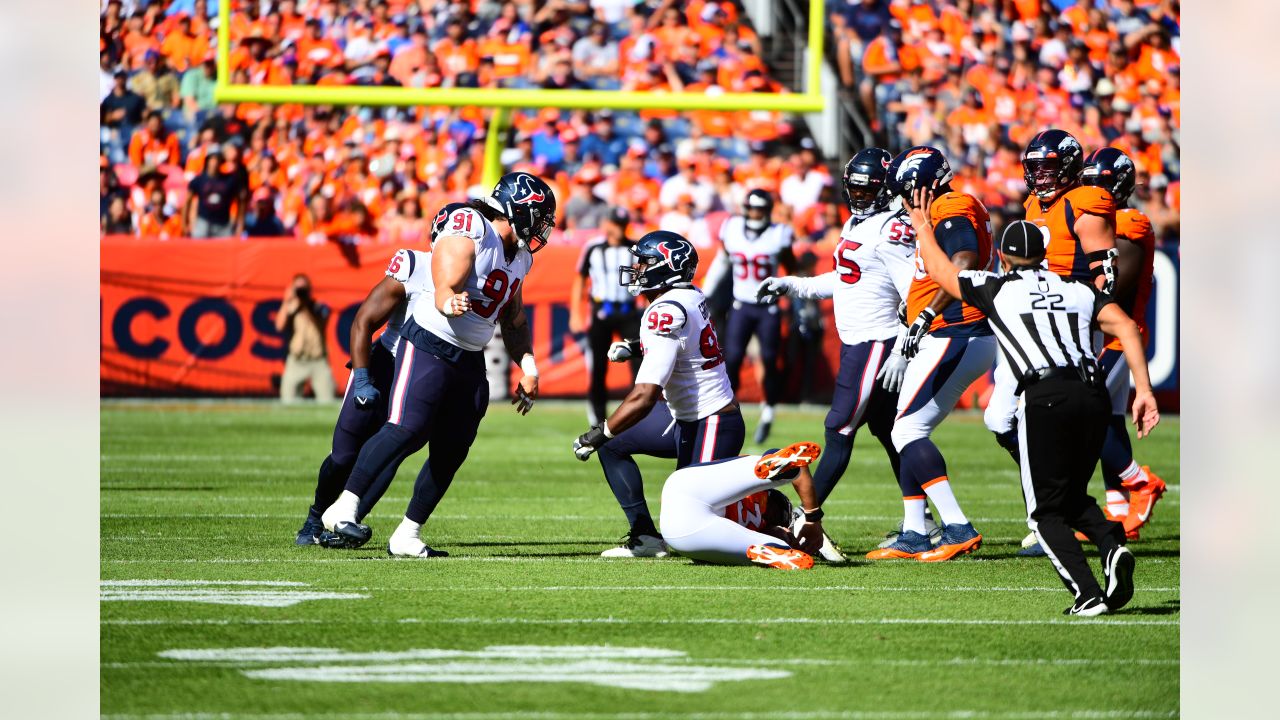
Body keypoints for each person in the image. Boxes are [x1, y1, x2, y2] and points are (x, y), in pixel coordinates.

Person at [911, 206, 1159, 616]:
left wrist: (922, 225)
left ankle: (1087, 594)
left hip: (1047, 396)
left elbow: (940, 271)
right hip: (1092, 393)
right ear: (1045, 254)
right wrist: (1144, 391)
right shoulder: (1078, 289)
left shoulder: (997, 287)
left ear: (1004, 258)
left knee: (1044, 514)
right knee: (1071, 496)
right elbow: (1128, 328)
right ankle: (1112, 547)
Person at [320, 172, 557, 558]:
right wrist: (447, 296)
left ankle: (407, 534)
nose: (542, 225)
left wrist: (528, 366)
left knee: (453, 448)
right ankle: (343, 507)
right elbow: (448, 269)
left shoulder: (522, 257)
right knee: (405, 429)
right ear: (516, 207)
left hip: (470, 356)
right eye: (539, 214)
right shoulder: (472, 225)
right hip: (429, 343)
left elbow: (513, 319)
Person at [757, 148, 921, 561]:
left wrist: (903, 347)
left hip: (876, 342)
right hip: (861, 342)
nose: (860, 195)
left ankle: (804, 524)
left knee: (838, 431)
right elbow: (848, 279)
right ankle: (921, 524)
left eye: (868, 189)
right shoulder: (860, 221)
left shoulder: (891, 229)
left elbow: (914, 292)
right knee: (890, 433)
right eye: (854, 187)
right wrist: (793, 284)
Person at [573, 231, 744, 558]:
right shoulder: (689, 295)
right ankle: (644, 537)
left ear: (668, 267)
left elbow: (645, 395)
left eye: (645, 262)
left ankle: (779, 518)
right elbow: (686, 343)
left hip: (712, 423)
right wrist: (636, 347)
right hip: (690, 419)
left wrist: (600, 432)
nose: (637, 268)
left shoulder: (663, 311)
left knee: (690, 533)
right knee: (616, 447)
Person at [870, 145, 994, 562]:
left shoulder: (953, 205)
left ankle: (957, 525)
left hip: (957, 330)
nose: (904, 200)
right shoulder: (939, 208)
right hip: (950, 330)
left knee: (906, 431)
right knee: (904, 429)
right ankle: (914, 532)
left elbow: (963, 262)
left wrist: (925, 314)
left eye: (908, 190)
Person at [985, 130, 1118, 466]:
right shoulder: (1032, 204)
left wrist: (1086, 322)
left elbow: (1106, 277)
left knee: (1060, 419)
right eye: (1034, 167)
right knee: (999, 418)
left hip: (1068, 323)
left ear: (1070, 166)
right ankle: (1050, 478)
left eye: (1048, 167)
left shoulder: (1085, 203)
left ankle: (1078, 487)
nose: (1039, 175)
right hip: (1032, 320)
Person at [294, 241, 433, 546]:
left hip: (421, 375)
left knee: (391, 455)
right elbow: (363, 320)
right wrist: (361, 378)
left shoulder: (478, 279)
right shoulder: (416, 266)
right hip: (386, 365)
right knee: (344, 456)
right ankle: (316, 516)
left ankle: (347, 522)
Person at [1079, 147, 1168, 538]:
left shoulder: (1130, 222)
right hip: (1102, 333)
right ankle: (1116, 508)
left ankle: (1140, 482)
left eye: (1100, 183)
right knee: (1107, 420)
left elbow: (1113, 283)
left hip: (1117, 336)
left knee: (1087, 414)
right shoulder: (1093, 219)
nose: (1094, 190)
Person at [703, 189, 795, 444]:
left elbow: (791, 265)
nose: (756, 214)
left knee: (768, 357)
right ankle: (728, 410)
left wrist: (792, 292)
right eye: (752, 209)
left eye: (760, 209)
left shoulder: (780, 233)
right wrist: (706, 293)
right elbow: (723, 260)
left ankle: (768, 411)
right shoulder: (731, 228)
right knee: (731, 358)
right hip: (741, 304)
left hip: (768, 306)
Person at [660, 442, 828, 569]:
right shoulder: (753, 528)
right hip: (683, 535)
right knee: (772, 548)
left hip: (682, 487)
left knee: (778, 469)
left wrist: (813, 518)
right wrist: (792, 535)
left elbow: (800, 466)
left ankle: (773, 463)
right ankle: (775, 549)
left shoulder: (756, 497)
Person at [570, 206, 642, 425]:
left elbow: (643, 280)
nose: (620, 229)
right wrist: (576, 312)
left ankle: (637, 415)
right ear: (607, 225)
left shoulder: (635, 248)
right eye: (616, 224)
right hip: (601, 311)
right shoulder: (594, 248)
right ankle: (597, 417)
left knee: (639, 366)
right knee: (598, 368)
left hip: (629, 311)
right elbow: (580, 279)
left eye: (623, 224)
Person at [275, 273, 337, 404]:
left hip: (318, 361)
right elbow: (279, 326)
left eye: (304, 289)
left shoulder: (317, 307)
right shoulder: (291, 308)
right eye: (298, 289)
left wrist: (304, 305)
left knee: (327, 401)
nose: (301, 292)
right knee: (287, 401)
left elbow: (321, 321)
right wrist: (287, 301)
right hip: (296, 360)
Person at [184, 145, 244, 238]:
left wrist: (240, 223)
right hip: (203, 222)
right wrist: (185, 223)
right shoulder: (199, 180)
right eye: (212, 159)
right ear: (207, 161)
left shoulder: (230, 180)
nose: (214, 162)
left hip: (223, 224)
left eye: (217, 159)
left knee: (226, 251)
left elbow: (240, 201)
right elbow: (187, 201)